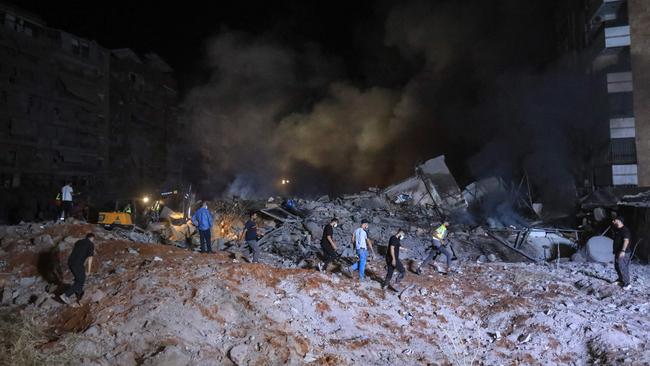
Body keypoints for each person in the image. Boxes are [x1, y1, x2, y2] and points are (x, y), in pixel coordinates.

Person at [59, 233, 95, 306]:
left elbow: (79, 252)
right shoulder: (90, 244)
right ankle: (66, 295)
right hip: (77, 264)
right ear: (92, 238)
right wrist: (89, 270)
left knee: (81, 278)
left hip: (71, 262)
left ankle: (79, 294)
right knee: (80, 280)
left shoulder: (79, 242)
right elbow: (90, 258)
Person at [611, 217, 632, 290]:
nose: (613, 221)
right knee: (617, 266)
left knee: (623, 267)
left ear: (619, 221)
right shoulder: (617, 229)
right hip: (617, 251)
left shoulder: (625, 230)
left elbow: (626, 241)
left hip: (624, 252)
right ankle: (620, 280)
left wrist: (623, 251)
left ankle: (627, 283)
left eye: (614, 220)